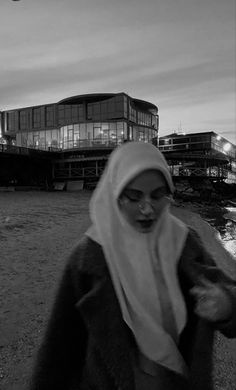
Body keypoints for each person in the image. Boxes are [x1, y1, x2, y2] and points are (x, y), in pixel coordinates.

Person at [30, 141, 236, 390]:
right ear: (116, 196)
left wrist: (226, 305)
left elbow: (229, 298)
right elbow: (57, 352)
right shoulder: (89, 257)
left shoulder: (183, 243)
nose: (147, 208)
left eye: (158, 195)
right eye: (134, 196)